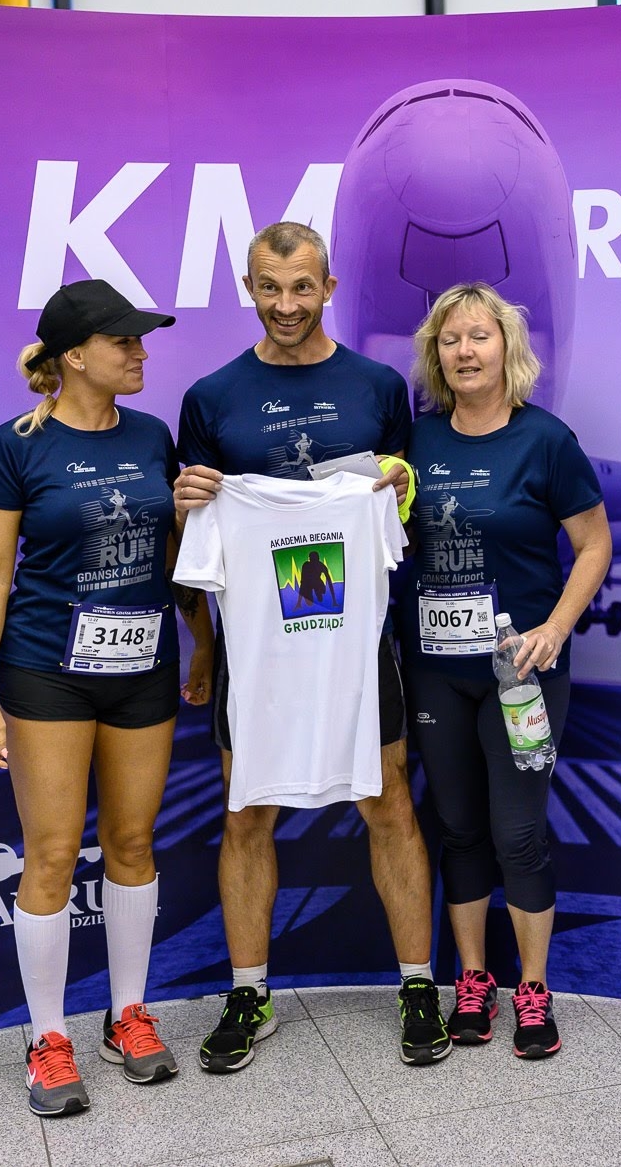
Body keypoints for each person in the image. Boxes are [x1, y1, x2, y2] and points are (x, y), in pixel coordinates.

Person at [171, 221, 450, 1071]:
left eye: (302, 287)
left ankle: (418, 986)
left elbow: (402, 513)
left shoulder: (378, 387)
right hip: (256, 644)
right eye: (269, 286)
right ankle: (249, 993)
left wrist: (399, 487)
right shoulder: (211, 398)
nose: (286, 304)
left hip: (354, 638)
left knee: (388, 800)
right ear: (249, 289)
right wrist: (187, 506)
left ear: (328, 287)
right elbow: (193, 547)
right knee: (245, 810)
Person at [0, 279, 215, 1116]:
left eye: (141, 340)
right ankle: (47, 1038)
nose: (141, 352)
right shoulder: (16, 446)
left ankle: (127, 1015)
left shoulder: (152, 436)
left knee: (134, 842)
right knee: (51, 853)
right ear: (74, 354)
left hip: (144, 668)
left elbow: (174, 556)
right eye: (124, 341)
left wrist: (204, 638)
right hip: (48, 671)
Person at [400, 282, 612, 1059]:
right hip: (435, 672)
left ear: (507, 348)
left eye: (479, 336)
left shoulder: (546, 441)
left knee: (518, 833)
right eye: (451, 338)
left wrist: (557, 626)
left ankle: (533, 987)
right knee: (458, 828)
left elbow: (594, 544)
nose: (465, 350)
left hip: (520, 674)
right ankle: (473, 979)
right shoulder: (415, 445)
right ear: (436, 354)